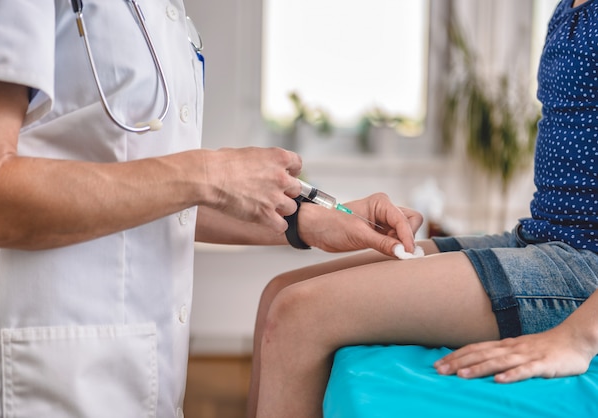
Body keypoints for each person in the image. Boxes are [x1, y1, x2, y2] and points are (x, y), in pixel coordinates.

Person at [0, 1, 422, 417]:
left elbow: (143, 190)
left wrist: (308, 220)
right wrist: (207, 174)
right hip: (42, 375)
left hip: (141, 371)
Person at [248, 0, 598, 417]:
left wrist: (579, 337)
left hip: (584, 268)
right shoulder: (567, 9)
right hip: (541, 238)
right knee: (278, 294)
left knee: (299, 316)